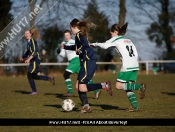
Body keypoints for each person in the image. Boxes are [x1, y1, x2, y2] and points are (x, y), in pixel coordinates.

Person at [91, 22, 146, 112]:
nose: (111, 35)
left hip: (127, 66)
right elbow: (135, 53)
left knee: (118, 86)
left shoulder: (116, 39)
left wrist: (94, 44)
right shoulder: (129, 40)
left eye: (111, 33)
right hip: (135, 65)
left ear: (115, 32)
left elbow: (104, 46)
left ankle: (139, 87)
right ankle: (135, 107)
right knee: (127, 87)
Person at [62, 19, 113, 113]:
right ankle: (86, 106)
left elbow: (84, 47)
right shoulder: (79, 36)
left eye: (70, 28)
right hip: (85, 63)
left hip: (87, 62)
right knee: (78, 86)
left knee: (82, 87)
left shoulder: (79, 35)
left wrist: (80, 50)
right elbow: (77, 47)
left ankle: (104, 85)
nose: (70, 30)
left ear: (74, 27)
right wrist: (65, 47)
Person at [58, 30, 101, 98]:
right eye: (65, 35)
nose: (66, 37)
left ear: (70, 35)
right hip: (72, 62)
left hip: (76, 61)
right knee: (84, 78)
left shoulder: (73, 41)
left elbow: (83, 45)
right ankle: (96, 90)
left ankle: (70, 92)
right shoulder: (63, 43)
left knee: (66, 74)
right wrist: (59, 52)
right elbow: (63, 55)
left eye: (67, 35)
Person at [20, 29, 55, 95]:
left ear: (30, 34)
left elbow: (34, 52)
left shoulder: (33, 41)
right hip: (33, 60)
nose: (26, 35)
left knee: (29, 74)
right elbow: (28, 51)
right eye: (25, 34)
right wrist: (23, 57)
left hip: (35, 60)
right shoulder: (28, 42)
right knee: (34, 76)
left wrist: (28, 59)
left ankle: (34, 91)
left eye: (27, 33)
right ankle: (49, 78)